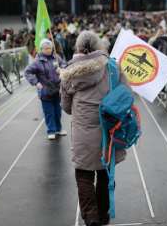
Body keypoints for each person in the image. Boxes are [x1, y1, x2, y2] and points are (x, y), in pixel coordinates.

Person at [59, 31, 127, 226]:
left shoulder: (69, 72)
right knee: (105, 173)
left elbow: (65, 107)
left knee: (84, 174)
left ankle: (91, 217)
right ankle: (103, 214)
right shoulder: (112, 67)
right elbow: (124, 95)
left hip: (82, 133)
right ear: (99, 46)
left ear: (78, 48)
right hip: (108, 131)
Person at [25, 39, 67, 140]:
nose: (48, 50)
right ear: (41, 49)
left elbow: (64, 65)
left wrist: (61, 69)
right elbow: (27, 72)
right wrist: (36, 82)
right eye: (46, 48)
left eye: (50, 48)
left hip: (57, 89)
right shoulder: (37, 61)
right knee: (49, 112)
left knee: (58, 111)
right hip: (45, 91)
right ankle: (51, 130)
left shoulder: (56, 57)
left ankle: (58, 129)